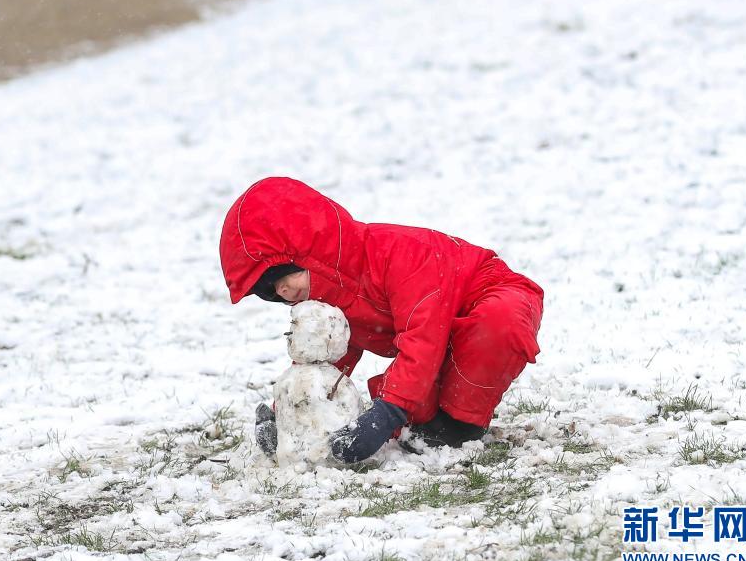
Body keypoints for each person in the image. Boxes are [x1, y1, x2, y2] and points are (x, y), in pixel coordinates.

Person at [219, 177, 544, 463]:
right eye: (271, 290)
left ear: (312, 251)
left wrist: (387, 413)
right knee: (413, 393)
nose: (284, 290)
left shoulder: (399, 254)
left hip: (484, 298)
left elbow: (423, 336)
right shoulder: (324, 296)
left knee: (498, 325)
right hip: (435, 343)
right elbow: (324, 360)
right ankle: (429, 423)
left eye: (282, 274)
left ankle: (459, 426)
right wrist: (292, 416)